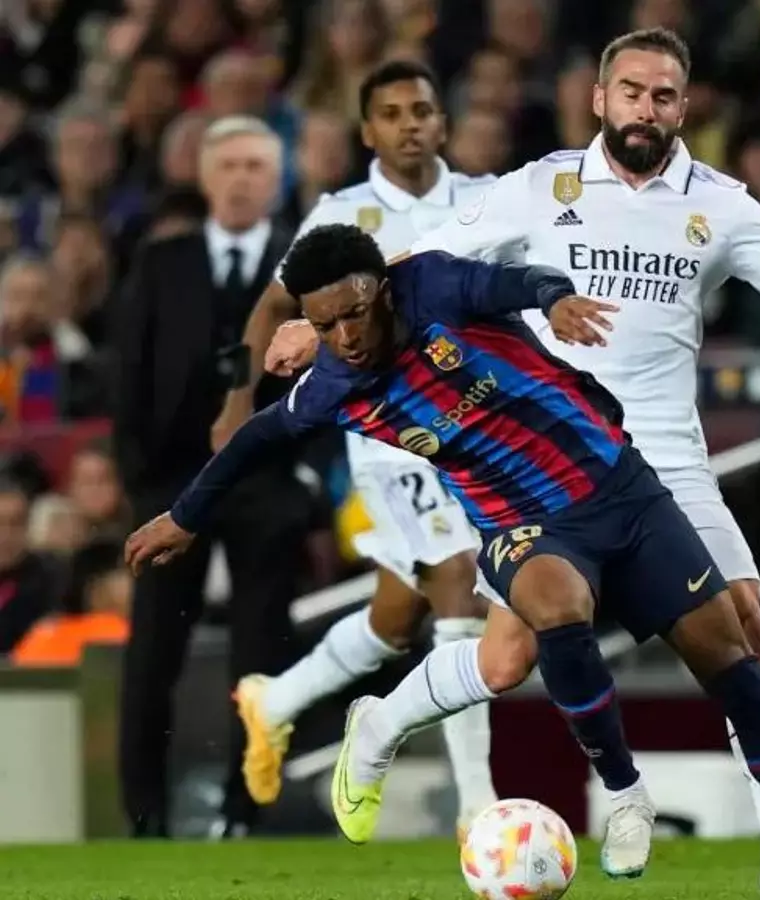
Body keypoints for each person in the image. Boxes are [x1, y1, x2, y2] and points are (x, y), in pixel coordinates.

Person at [261, 26, 760, 898]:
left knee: (746, 635)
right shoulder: (539, 188)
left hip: (667, 459)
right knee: (505, 662)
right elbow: (415, 262)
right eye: (632, 92)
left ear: (683, 107)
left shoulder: (721, 204)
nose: (646, 108)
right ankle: (382, 722)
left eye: (664, 95)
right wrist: (316, 318)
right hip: (543, 461)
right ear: (600, 99)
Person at [125, 224, 760, 900]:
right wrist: (183, 517)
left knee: (738, 671)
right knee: (558, 610)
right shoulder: (332, 387)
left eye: (355, 314)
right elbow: (255, 440)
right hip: (522, 524)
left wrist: (556, 298)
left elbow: (515, 282)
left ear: (381, 290)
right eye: (325, 326)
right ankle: (624, 794)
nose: (345, 337)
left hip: (621, 488)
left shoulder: (435, 285)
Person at [213, 59, 502, 838]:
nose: (410, 124)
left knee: (396, 616)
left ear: (442, 121)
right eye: (393, 114)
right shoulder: (342, 215)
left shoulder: (485, 199)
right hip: (389, 438)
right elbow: (271, 307)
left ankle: (274, 700)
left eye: (422, 110)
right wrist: (238, 400)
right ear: (368, 131)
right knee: (460, 582)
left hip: (475, 425)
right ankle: (478, 810)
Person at [110, 115, 306, 839]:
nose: (241, 179)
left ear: (277, 180)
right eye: (229, 165)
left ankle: (245, 814)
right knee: (152, 654)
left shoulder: (301, 262)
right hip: (172, 481)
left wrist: (305, 478)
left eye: (256, 166)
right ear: (204, 176)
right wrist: (139, 481)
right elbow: (128, 372)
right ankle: (144, 817)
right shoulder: (163, 262)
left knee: (261, 659)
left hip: (269, 484)